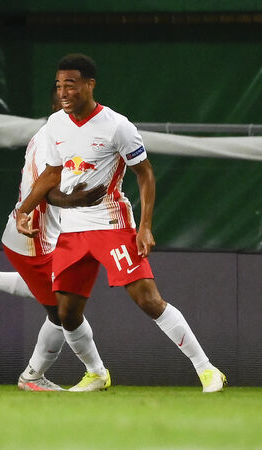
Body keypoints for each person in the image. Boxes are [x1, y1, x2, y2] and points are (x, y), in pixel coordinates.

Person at [16, 53, 226, 393]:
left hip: (111, 225)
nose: (63, 92)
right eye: (59, 85)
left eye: (71, 85)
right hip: (71, 230)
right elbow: (52, 174)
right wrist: (24, 210)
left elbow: (145, 174)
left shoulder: (117, 126)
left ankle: (207, 370)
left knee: (148, 300)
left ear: (89, 84)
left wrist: (145, 226)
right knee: (65, 313)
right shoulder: (55, 125)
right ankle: (96, 373)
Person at [0, 89, 110, 392]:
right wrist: (75, 200)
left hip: (39, 235)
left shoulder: (57, 137)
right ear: (56, 107)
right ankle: (41, 376)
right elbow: (47, 189)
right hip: (31, 239)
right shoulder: (50, 141)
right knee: (62, 311)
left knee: (55, 292)